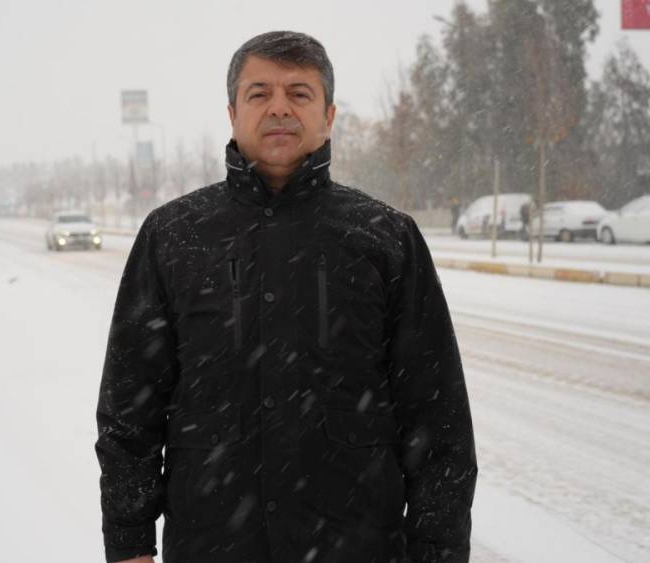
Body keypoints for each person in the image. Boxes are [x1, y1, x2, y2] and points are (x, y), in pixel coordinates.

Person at [96, 31, 477, 563]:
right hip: (212, 546)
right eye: (259, 94)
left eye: (299, 93)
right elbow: (129, 409)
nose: (279, 108)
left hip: (358, 547)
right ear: (232, 113)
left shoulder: (386, 239)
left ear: (329, 116)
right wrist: (129, 541)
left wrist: (439, 550)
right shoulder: (173, 236)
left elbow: (438, 418)